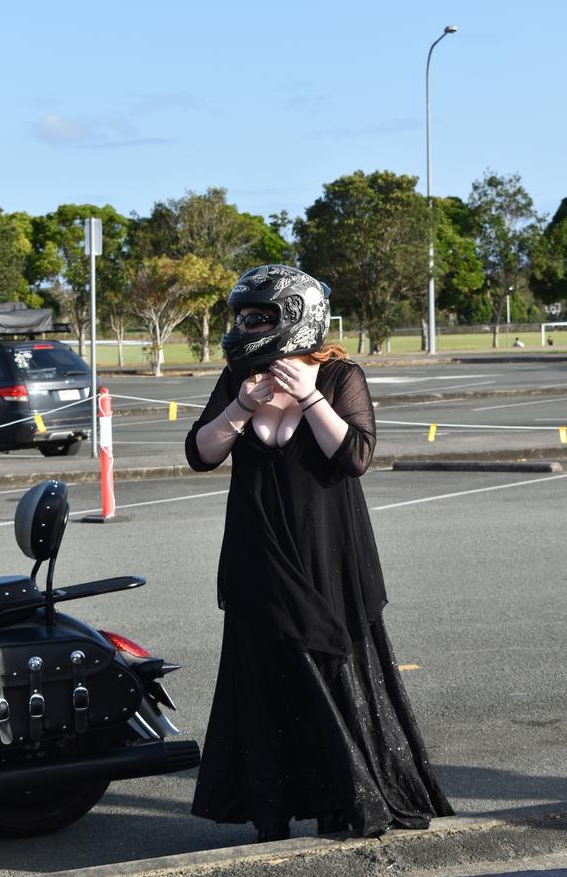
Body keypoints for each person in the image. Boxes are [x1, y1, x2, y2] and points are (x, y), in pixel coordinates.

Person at [185, 264, 453, 843]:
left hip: (328, 557)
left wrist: (307, 397)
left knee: (333, 674)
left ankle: (344, 803)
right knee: (262, 684)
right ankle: (271, 811)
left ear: (295, 317)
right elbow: (200, 454)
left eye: (258, 317)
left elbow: (355, 455)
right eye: (241, 317)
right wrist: (239, 409)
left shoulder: (339, 376)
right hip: (257, 555)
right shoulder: (239, 380)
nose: (245, 327)